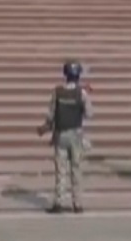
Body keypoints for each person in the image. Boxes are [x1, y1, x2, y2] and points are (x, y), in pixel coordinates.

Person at [37, 61, 91, 214]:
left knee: (61, 170)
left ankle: (59, 202)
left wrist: (45, 127)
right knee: (76, 169)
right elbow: (89, 113)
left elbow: (50, 114)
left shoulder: (57, 92)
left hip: (60, 135)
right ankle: (77, 203)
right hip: (76, 134)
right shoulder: (82, 93)